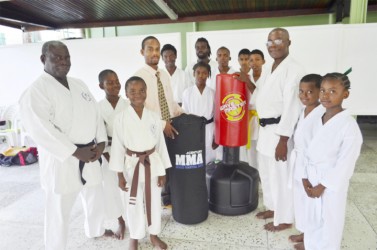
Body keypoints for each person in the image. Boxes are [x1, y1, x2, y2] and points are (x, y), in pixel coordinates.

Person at [19, 40, 113, 250]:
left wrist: (100, 143)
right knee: (59, 209)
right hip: (62, 159)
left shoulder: (79, 84)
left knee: (94, 195)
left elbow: (95, 115)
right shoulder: (36, 90)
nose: (63, 62)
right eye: (57, 58)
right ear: (44, 60)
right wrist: (74, 151)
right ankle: (55, 246)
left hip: (90, 152)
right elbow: (41, 128)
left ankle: (95, 230)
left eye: (67, 57)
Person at [235, 27, 305, 232]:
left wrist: (284, 140)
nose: (273, 46)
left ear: (288, 43)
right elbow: (260, 96)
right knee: (266, 173)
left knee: (281, 177)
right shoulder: (270, 68)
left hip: (280, 132)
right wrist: (246, 81)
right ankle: (273, 208)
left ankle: (284, 218)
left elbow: (292, 107)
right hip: (265, 130)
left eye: (278, 41)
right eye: (270, 43)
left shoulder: (294, 69)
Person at [109, 76, 171, 250]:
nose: (138, 94)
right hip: (131, 166)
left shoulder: (153, 116)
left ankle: (154, 234)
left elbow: (160, 145)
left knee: (154, 201)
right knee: (133, 202)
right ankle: (135, 236)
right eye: (133, 91)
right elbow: (117, 148)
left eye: (141, 90)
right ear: (127, 94)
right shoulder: (121, 118)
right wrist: (119, 175)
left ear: (146, 92)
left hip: (152, 163)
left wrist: (163, 171)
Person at [303, 73, 362, 250]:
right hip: (312, 176)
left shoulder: (349, 126)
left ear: (345, 95)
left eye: (332, 91)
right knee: (312, 220)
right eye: (322, 90)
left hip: (330, 183)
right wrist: (304, 176)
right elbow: (306, 148)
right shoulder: (317, 117)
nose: (325, 95)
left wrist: (323, 185)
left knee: (330, 221)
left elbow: (345, 163)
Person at [134, 36, 183, 206]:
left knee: (166, 167)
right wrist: (162, 124)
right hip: (151, 131)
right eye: (150, 49)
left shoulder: (163, 75)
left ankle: (166, 199)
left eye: (157, 49)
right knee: (153, 170)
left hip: (168, 128)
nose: (154, 53)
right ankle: (150, 206)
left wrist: (183, 113)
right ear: (142, 52)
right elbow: (139, 108)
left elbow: (169, 101)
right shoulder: (139, 77)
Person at [288, 74, 325, 250]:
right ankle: (305, 233)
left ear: (320, 91)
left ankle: (313, 240)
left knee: (312, 203)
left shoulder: (322, 113)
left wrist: (308, 172)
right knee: (300, 200)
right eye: (301, 91)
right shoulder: (304, 111)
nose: (304, 95)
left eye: (310, 91)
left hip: (311, 166)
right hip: (299, 161)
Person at [97, 69, 128, 239]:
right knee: (113, 189)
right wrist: (114, 161)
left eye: (117, 81)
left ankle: (135, 218)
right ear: (101, 86)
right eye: (110, 82)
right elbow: (99, 137)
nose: (115, 85)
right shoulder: (98, 108)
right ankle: (121, 221)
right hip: (108, 154)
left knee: (131, 189)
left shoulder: (128, 105)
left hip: (129, 153)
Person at [182, 62, 216, 164]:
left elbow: (217, 116)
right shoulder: (187, 92)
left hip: (209, 129)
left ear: (208, 75)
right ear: (194, 74)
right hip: (193, 129)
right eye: (198, 72)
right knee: (195, 159)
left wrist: (216, 137)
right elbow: (184, 114)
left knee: (209, 160)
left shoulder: (213, 93)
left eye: (204, 73)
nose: (201, 75)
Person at [239, 49, 266, 169]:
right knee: (250, 152)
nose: (254, 63)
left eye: (257, 59)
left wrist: (247, 80)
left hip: (263, 117)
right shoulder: (244, 77)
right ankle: (253, 177)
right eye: (251, 60)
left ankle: (262, 177)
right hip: (248, 118)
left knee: (263, 150)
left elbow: (260, 97)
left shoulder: (268, 77)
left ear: (263, 61)